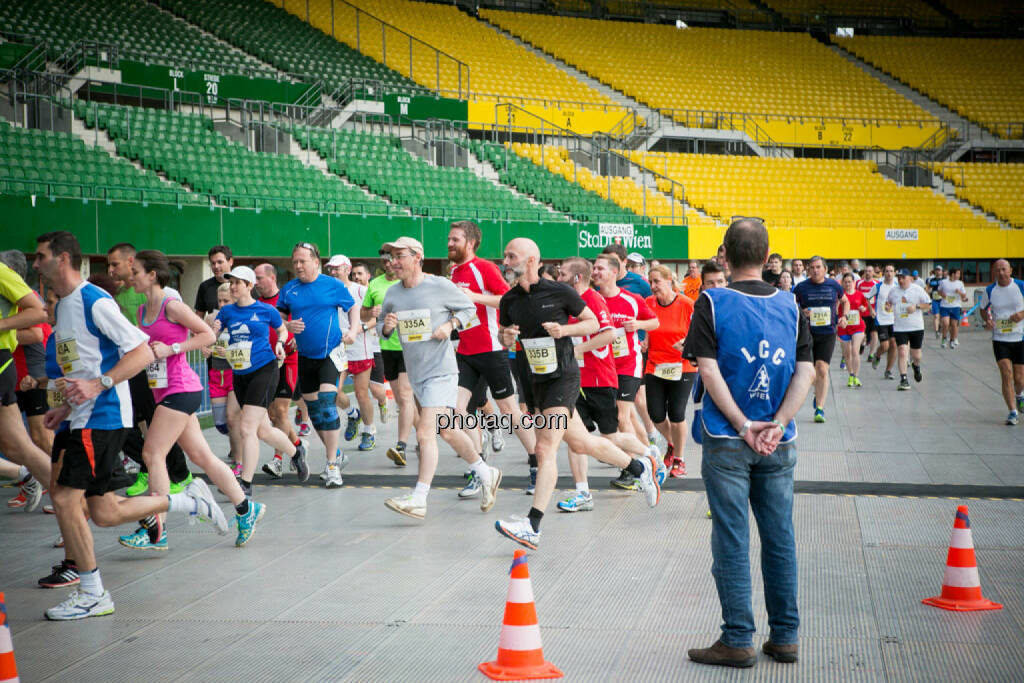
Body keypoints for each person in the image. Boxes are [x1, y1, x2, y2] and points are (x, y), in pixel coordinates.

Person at [33, 231, 227, 621]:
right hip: (82, 416)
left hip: (103, 416)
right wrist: (66, 410)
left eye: (41, 257)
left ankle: (92, 592)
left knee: (65, 497)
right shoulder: (66, 306)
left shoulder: (94, 300)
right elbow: (82, 368)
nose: (36, 264)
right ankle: (189, 500)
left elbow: (139, 350)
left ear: (64, 259)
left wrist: (99, 384)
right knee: (103, 512)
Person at [683, 218, 814, 668]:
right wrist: (776, 422)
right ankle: (785, 636)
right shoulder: (792, 305)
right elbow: (807, 372)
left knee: (732, 538)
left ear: (724, 255)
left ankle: (738, 638)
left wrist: (743, 425)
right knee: (780, 537)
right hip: (780, 442)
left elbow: (709, 370)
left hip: (727, 439)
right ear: (766, 256)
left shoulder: (712, 302)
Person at [494, 238, 659, 549]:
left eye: (511, 256)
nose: (505, 260)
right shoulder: (509, 300)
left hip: (564, 378)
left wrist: (564, 331)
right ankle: (640, 469)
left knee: (545, 449)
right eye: (505, 256)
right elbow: (503, 337)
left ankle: (533, 524)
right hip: (535, 380)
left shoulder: (560, 292)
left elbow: (593, 323)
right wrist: (506, 335)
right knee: (582, 442)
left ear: (532, 260)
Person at [120, 250, 264, 550]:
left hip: (181, 389)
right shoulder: (141, 311)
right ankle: (244, 508)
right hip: (162, 389)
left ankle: (156, 531)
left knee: (152, 454)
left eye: (135, 272)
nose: (130, 277)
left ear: (151, 275)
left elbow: (207, 336)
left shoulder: (172, 306)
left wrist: (171, 349)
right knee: (202, 457)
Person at [376, 237, 500, 519]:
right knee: (447, 430)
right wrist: (387, 327)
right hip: (417, 372)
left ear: (417, 256)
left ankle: (419, 497)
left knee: (425, 432)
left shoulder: (440, 285)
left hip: (442, 371)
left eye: (399, 255)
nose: (393, 261)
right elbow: (382, 325)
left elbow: (470, 310)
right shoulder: (393, 293)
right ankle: (485, 471)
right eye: (390, 256)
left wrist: (451, 324)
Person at [554, 257, 660, 513]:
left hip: (599, 376)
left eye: (561, 274)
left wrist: (576, 349)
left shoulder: (593, 298)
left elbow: (610, 333)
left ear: (577, 277)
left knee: (610, 436)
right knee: (576, 439)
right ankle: (582, 492)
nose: (558, 278)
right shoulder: (568, 301)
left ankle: (650, 457)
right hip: (574, 378)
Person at [447, 221, 537, 496]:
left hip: (491, 349)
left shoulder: (484, 268)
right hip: (465, 352)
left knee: (510, 413)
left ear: (470, 243)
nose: (449, 243)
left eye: (455, 239)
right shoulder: (453, 271)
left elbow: (508, 299)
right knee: (458, 414)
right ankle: (480, 471)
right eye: (449, 239)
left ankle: (538, 464)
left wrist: (473, 296)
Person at [216, 266, 302, 494]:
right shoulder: (226, 313)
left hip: (264, 369)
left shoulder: (266, 310)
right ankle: (296, 452)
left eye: (238, 283)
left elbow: (282, 330)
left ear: (249, 286)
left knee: (247, 428)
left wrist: (280, 343)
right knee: (263, 430)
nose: (233, 287)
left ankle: (245, 482)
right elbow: (214, 335)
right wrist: (213, 343)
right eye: (231, 282)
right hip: (240, 373)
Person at [277, 242, 355, 487]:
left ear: (315, 262)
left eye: (303, 261)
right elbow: (279, 316)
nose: (298, 266)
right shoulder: (289, 290)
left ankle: (331, 465)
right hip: (305, 357)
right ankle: (338, 455)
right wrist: (287, 327)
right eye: (295, 262)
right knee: (316, 415)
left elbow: (352, 307)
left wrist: (353, 330)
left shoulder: (332, 285)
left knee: (327, 405)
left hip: (330, 354)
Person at [593, 253, 661, 489]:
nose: (595, 272)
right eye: (594, 268)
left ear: (614, 271)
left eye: (599, 268)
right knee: (625, 416)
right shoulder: (593, 300)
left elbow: (654, 322)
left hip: (629, 364)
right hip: (604, 365)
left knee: (623, 416)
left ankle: (633, 469)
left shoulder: (632, 298)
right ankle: (651, 456)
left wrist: (638, 326)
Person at [0, 256, 51, 514]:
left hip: (23, 371)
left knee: (40, 436)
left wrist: (2, 327)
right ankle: (76, 495)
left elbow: (39, 319)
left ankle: (78, 492)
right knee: (16, 446)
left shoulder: (3, 274)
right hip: (15, 374)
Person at [362, 248, 416, 466]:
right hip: (387, 346)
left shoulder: (412, 283)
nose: (389, 263)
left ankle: (401, 446)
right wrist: (371, 313)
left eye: (393, 259)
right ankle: (424, 433)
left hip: (410, 346)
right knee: (405, 400)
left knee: (404, 396)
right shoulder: (375, 285)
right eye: (386, 260)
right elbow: (364, 313)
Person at [253, 263, 307, 478]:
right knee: (273, 414)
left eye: (259, 278)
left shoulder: (286, 300)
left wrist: (296, 341)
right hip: (266, 363)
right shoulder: (255, 304)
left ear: (272, 278)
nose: (256, 283)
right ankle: (297, 445)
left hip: (288, 361)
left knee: (282, 412)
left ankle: (277, 460)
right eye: (254, 279)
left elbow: (302, 324)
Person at [643, 265, 695, 478]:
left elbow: (698, 332)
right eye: (651, 282)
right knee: (655, 414)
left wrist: (687, 342)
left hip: (682, 366)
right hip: (655, 365)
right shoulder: (648, 303)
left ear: (669, 281)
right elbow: (646, 328)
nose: (653, 286)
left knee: (677, 414)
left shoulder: (686, 304)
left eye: (657, 281)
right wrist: (643, 341)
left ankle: (680, 459)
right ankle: (672, 442)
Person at [325, 255, 380, 454]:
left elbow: (376, 317)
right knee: (333, 393)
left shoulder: (362, 290)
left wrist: (359, 328)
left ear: (347, 269)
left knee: (361, 393)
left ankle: (369, 430)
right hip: (336, 350)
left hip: (360, 348)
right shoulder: (327, 291)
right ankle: (352, 414)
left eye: (336, 268)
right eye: (330, 269)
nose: (332, 272)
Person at [792, 256, 847, 423]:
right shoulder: (801, 288)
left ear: (824, 269)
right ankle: (818, 392)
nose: (815, 270)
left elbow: (845, 301)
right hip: (807, 333)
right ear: (808, 270)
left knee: (822, 368)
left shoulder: (833, 285)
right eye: (812, 268)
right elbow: (792, 307)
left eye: (818, 267)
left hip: (827, 333)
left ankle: (820, 408)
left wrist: (843, 316)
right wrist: (802, 312)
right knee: (809, 371)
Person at [979, 259, 1024, 425]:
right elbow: (983, 309)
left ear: (1010, 270)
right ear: (993, 272)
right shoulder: (990, 290)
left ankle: (1020, 395)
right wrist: (988, 320)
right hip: (1000, 339)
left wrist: (1021, 314)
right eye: (997, 270)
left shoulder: (1020, 286)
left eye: (1004, 269)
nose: (1001, 273)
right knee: (1006, 374)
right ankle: (1012, 411)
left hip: (1020, 337)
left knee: (1020, 379)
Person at [350, 260, 390, 422]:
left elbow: (379, 317)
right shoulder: (350, 293)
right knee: (361, 390)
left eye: (360, 273)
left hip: (374, 346)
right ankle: (365, 422)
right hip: (355, 348)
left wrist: (363, 328)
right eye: (354, 274)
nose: (356, 277)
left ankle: (383, 401)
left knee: (375, 388)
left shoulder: (374, 291)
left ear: (368, 275)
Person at [885, 269, 931, 391]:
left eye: (903, 277)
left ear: (910, 278)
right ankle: (903, 379)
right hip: (900, 327)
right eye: (899, 278)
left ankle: (916, 366)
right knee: (902, 351)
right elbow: (888, 303)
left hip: (916, 327)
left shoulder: (917, 290)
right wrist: (887, 306)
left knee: (916, 355)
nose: (900, 280)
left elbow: (928, 304)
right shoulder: (893, 291)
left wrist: (916, 307)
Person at [837, 272, 873, 388]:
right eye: (845, 282)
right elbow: (836, 312)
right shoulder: (840, 296)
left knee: (854, 351)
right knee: (847, 353)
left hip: (858, 326)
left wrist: (863, 308)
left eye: (850, 282)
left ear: (854, 282)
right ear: (842, 283)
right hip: (844, 327)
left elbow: (865, 308)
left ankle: (856, 376)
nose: (848, 284)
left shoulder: (859, 295)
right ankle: (851, 375)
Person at [870, 265, 899, 379]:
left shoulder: (897, 286)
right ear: (883, 273)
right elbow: (867, 297)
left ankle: (888, 370)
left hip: (895, 320)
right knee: (885, 346)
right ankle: (877, 356)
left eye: (891, 271)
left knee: (894, 345)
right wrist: (871, 309)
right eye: (887, 271)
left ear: (894, 273)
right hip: (881, 320)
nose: (889, 273)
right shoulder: (878, 286)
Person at [938, 267, 969, 349]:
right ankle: (944, 339)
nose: (959, 275)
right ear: (952, 274)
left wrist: (959, 292)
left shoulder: (960, 283)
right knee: (945, 323)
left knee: (954, 325)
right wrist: (942, 294)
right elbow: (939, 291)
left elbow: (964, 296)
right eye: (958, 273)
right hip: (945, 306)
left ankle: (952, 340)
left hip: (956, 306)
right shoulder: (943, 282)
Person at [856, 265, 879, 364]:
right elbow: (856, 295)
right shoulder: (859, 283)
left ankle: (871, 354)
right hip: (862, 312)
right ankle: (862, 344)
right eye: (866, 271)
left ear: (873, 272)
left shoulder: (877, 283)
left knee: (874, 333)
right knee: (863, 334)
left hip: (873, 313)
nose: (868, 273)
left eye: (870, 271)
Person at [926, 266, 944, 339]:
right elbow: (927, 288)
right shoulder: (932, 280)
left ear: (941, 272)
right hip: (935, 300)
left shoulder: (944, 280)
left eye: (939, 270)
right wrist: (927, 297)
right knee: (936, 316)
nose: (938, 272)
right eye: (936, 270)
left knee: (943, 317)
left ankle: (940, 327)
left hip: (943, 300)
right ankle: (936, 332)